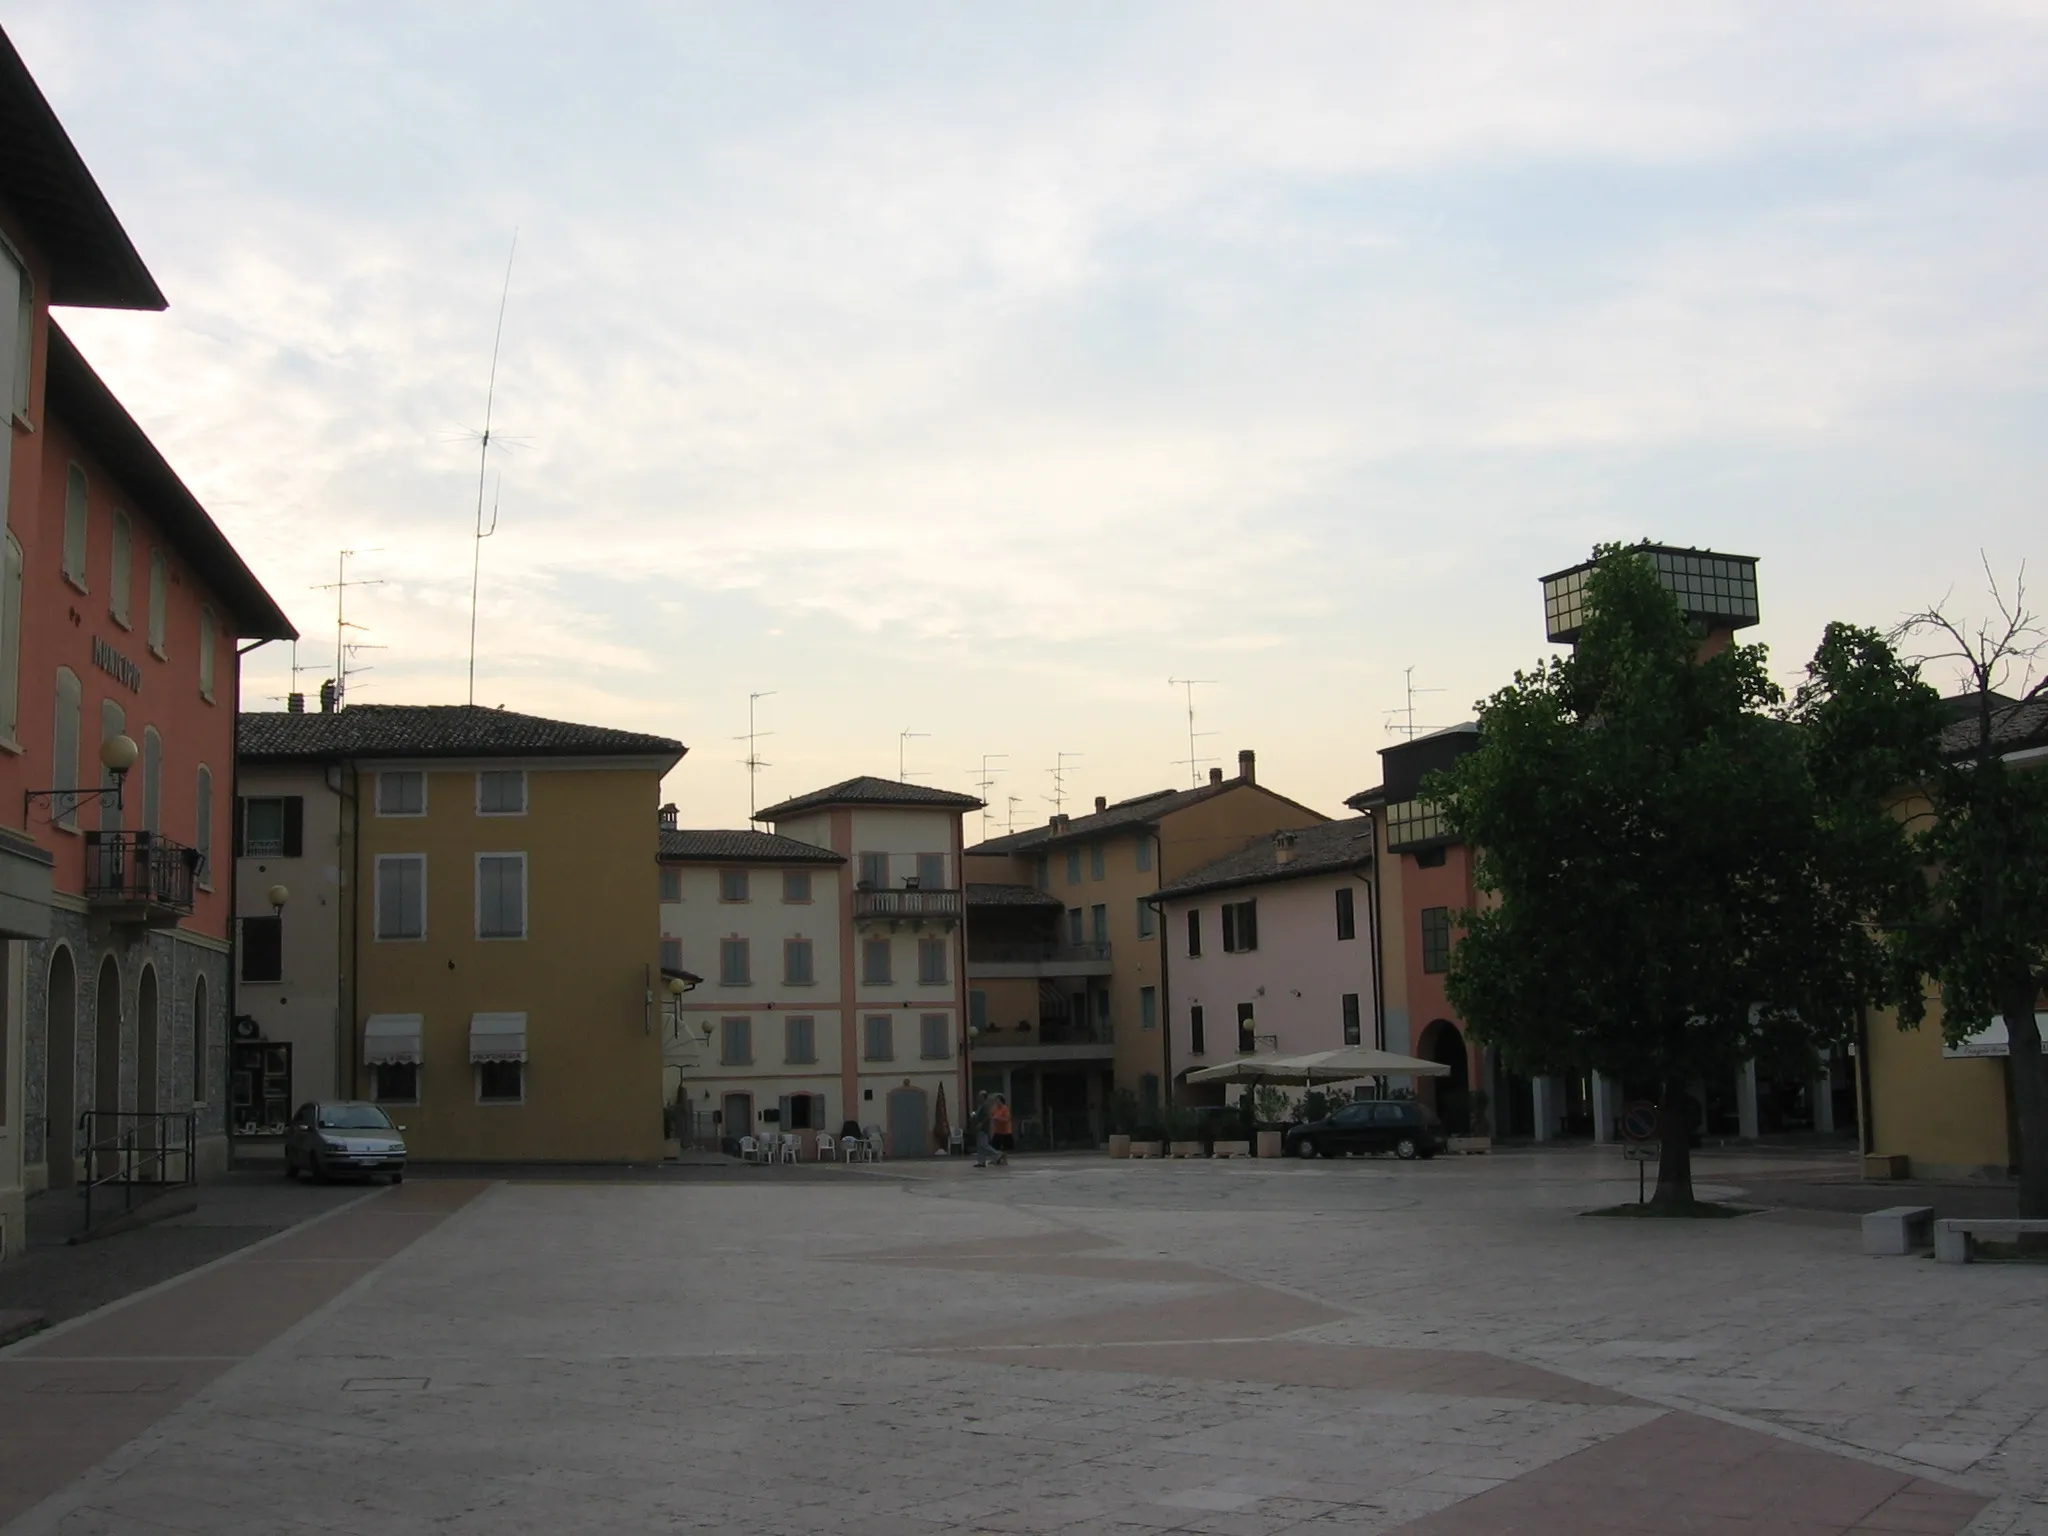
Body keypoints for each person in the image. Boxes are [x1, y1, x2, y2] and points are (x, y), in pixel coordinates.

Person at [972, 1091, 996, 1168]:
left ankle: (998, 1155)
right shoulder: (980, 1105)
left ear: (984, 1097)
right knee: (979, 1146)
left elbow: (988, 1116)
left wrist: (981, 1123)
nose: (978, 1098)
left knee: (984, 1144)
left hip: (983, 1128)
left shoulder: (986, 1105)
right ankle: (981, 1161)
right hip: (978, 1128)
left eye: (980, 1096)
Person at [990, 1094, 1013, 1165]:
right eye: (995, 1101)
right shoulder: (995, 1109)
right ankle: (995, 1159)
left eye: (997, 1101)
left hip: (1005, 1131)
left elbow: (1006, 1119)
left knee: (1005, 1147)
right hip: (998, 1131)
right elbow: (991, 1115)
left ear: (1001, 1101)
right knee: (994, 1146)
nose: (996, 1102)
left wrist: (998, 1118)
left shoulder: (1005, 1108)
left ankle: (1005, 1160)